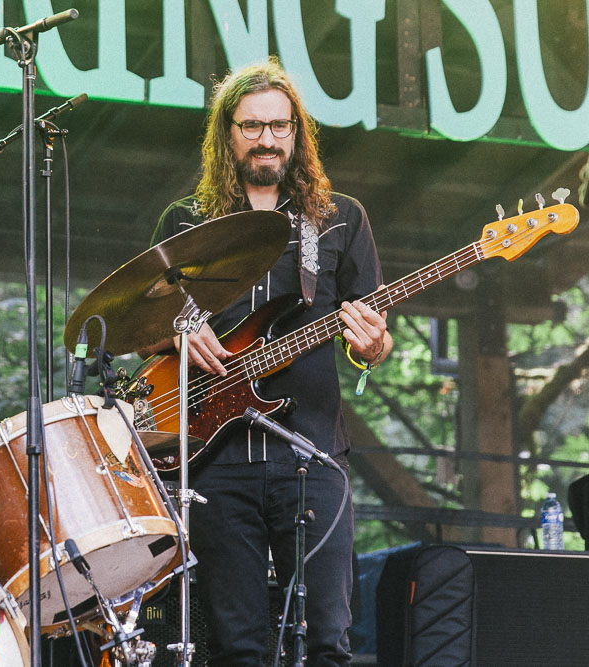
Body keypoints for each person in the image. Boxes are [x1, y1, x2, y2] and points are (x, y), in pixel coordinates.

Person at [141, 59, 392, 665]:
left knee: (329, 637)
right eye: (252, 126)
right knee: (238, 644)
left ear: (297, 133)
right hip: (214, 457)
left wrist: (369, 348)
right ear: (227, 134)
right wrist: (179, 331)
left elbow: (376, 341)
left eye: (280, 126)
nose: (267, 139)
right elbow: (137, 318)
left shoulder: (340, 220)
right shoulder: (186, 221)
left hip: (311, 452)